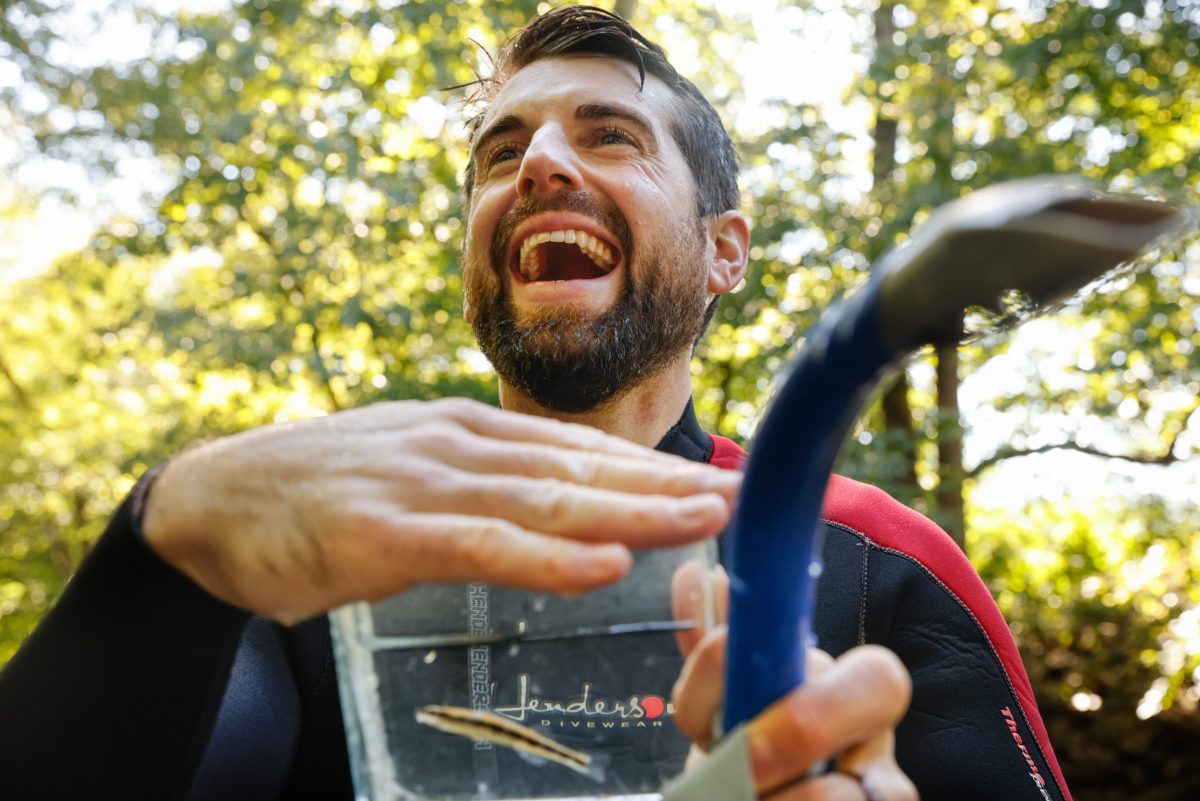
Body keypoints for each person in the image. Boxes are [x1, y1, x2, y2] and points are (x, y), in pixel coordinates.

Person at [0, 6, 1067, 801]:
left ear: (723, 251)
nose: (540, 164)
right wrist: (153, 547)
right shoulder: (314, 561)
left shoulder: (881, 564)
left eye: (609, 136)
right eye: (500, 153)